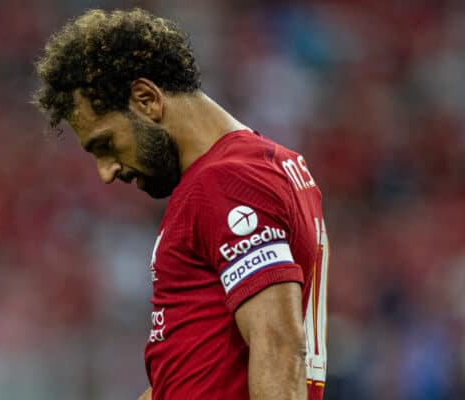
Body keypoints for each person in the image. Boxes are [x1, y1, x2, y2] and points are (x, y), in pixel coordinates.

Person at [33, 8, 329, 400]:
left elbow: (277, 345)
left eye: (105, 144)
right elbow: (197, 372)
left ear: (146, 99)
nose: (106, 171)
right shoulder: (268, 166)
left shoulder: (227, 181)